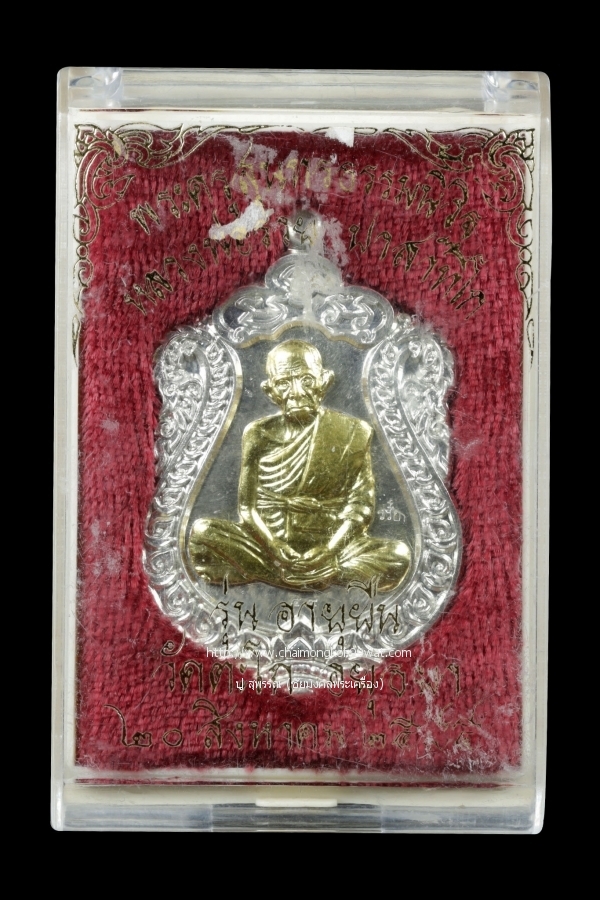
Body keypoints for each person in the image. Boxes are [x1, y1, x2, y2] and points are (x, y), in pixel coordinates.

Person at [188, 339, 410, 592]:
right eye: (284, 383)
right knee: (203, 534)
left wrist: (329, 550)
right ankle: (313, 575)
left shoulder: (354, 432)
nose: (296, 392)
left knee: (398, 557)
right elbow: (247, 508)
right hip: (268, 544)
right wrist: (275, 547)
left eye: (306, 380)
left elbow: (361, 507)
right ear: (270, 391)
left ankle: (286, 573)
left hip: (332, 544)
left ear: (324, 381)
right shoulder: (258, 433)